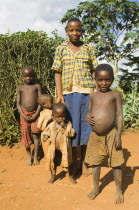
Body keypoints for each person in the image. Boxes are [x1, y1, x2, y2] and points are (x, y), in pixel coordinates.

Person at [52, 17, 98, 175]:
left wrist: (96, 91)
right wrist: (59, 94)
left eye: (78, 30)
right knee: (72, 128)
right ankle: (73, 163)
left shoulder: (89, 49)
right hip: (68, 94)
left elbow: (94, 71)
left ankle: (84, 162)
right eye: (71, 30)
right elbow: (57, 73)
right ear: (66, 31)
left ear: (82, 31)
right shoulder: (61, 49)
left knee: (86, 128)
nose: (75, 33)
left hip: (87, 93)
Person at [85, 64, 124, 204]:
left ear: (112, 79)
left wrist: (119, 135)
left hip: (112, 134)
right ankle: (96, 188)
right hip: (95, 135)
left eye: (107, 80)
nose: (103, 83)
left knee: (116, 164)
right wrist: (86, 117)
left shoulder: (115, 95)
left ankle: (118, 190)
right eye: (100, 80)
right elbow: (88, 113)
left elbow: (119, 115)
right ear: (95, 79)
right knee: (95, 163)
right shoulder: (92, 96)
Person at [42, 103, 77, 184]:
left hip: (65, 148)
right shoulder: (52, 125)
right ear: (53, 116)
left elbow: (72, 133)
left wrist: (64, 126)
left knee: (69, 161)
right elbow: (47, 132)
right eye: (58, 117)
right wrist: (45, 136)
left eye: (63, 116)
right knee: (52, 161)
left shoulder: (68, 124)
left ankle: (71, 176)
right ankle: (53, 176)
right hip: (54, 148)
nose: (61, 118)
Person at [17, 66, 41, 165]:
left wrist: (36, 114)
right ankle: (29, 156)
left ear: (33, 76)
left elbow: (40, 101)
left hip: (36, 113)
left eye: (30, 76)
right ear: (22, 77)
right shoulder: (20, 88)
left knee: (36, 135)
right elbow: (18, 104)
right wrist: (23, 115)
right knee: (25, 136)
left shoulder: (37, 86)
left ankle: (35, 156)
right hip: (24, 114)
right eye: (26, 76)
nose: (28, 78)